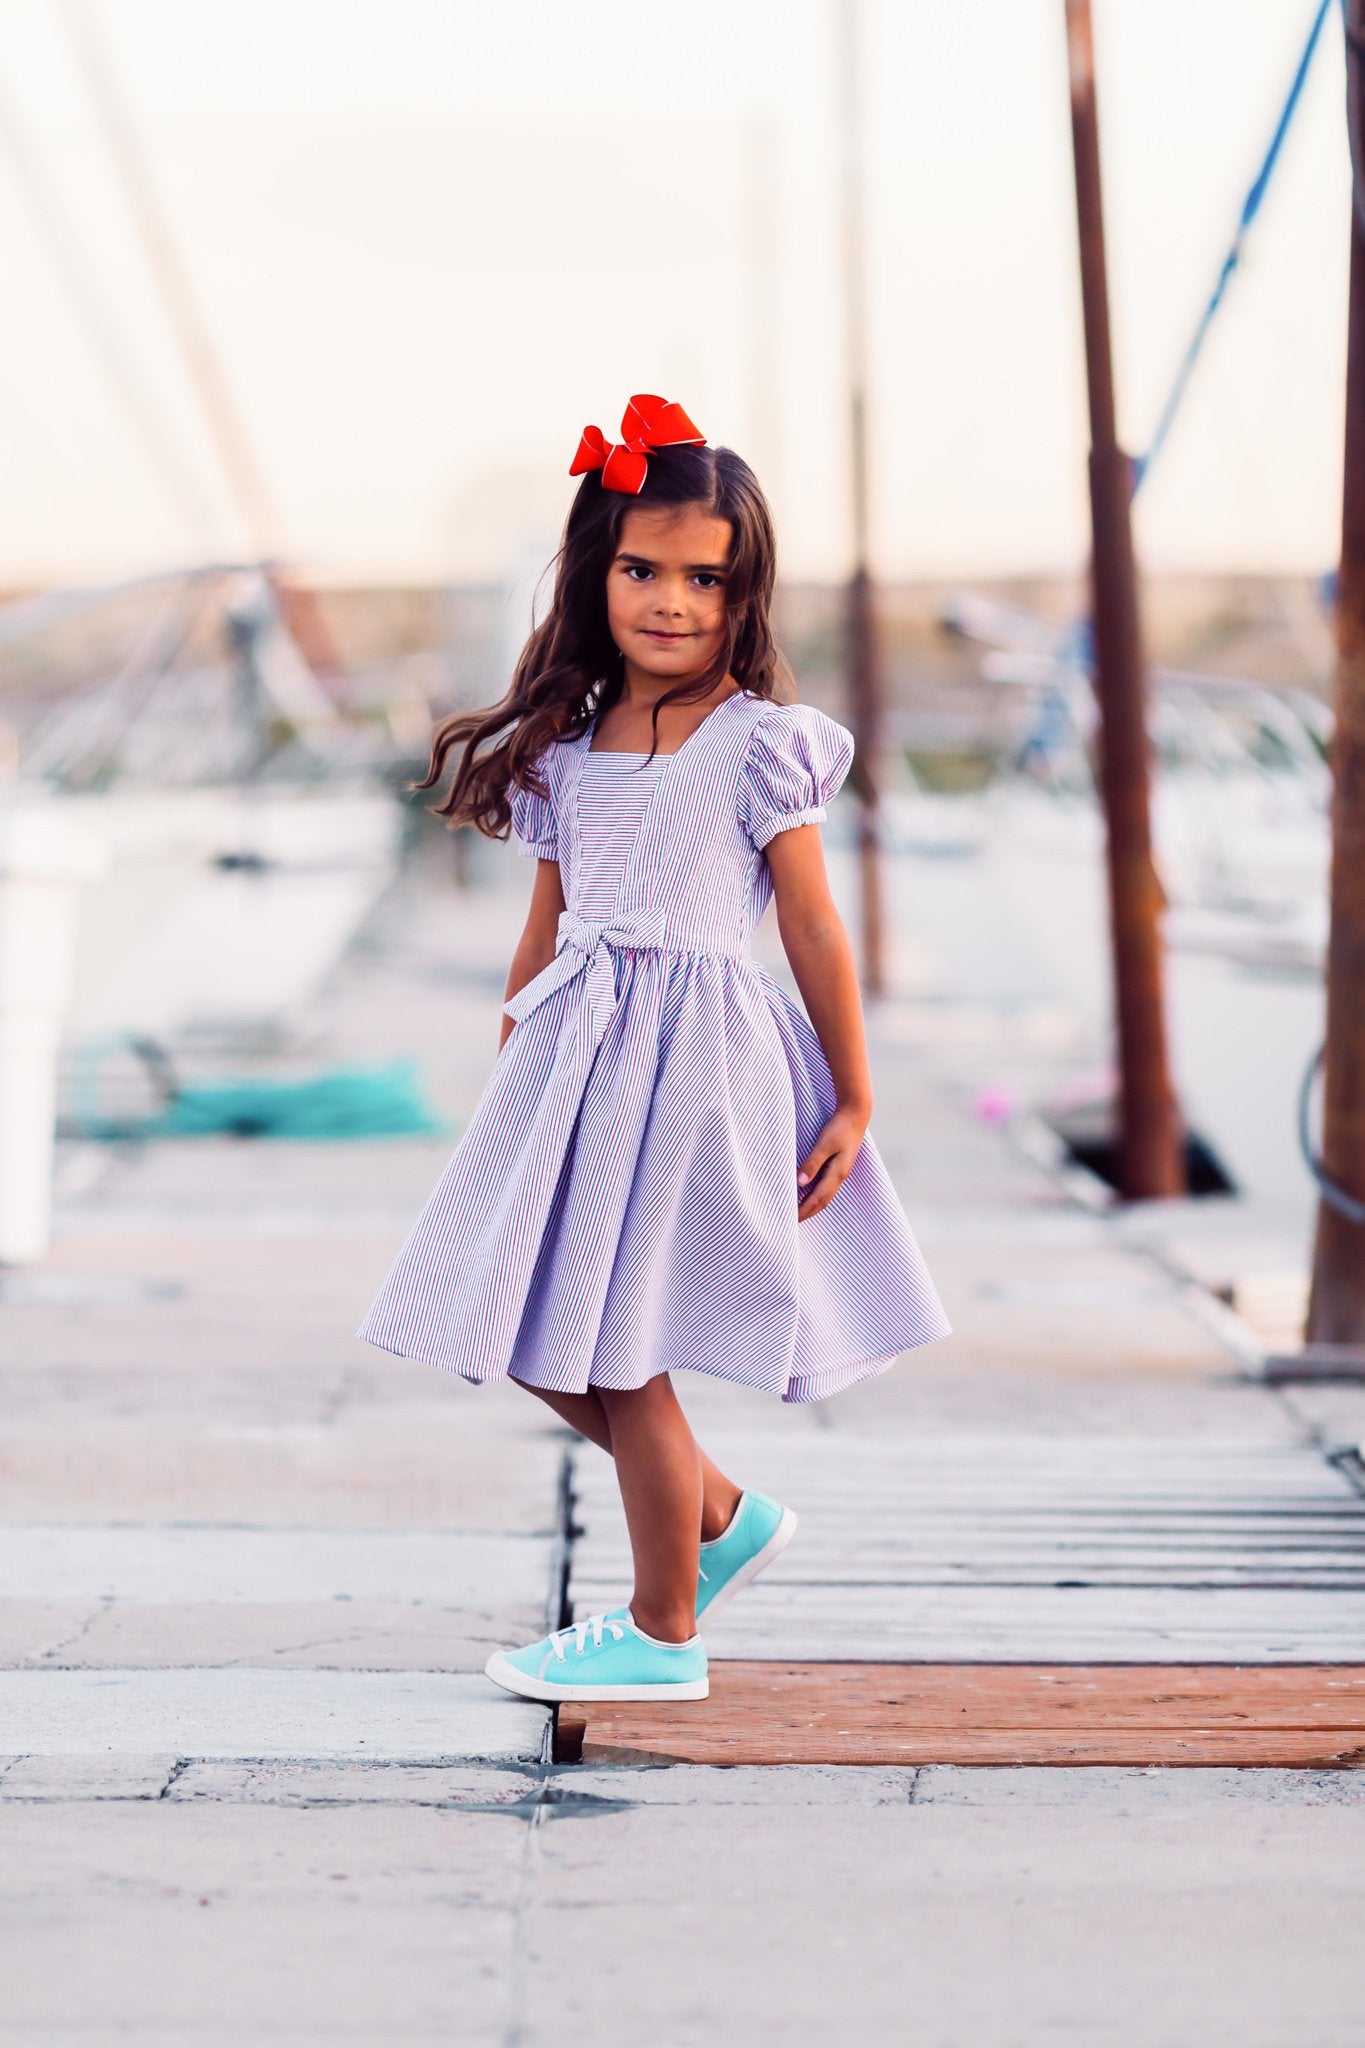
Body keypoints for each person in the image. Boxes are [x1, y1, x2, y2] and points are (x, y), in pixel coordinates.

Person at [356, 394, 951, 1704]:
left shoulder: (757, 744)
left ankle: (662, 1629)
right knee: (525, 1318)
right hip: (577, 1059)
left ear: (744, 598)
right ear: (593, 570)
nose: (670, 601)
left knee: (619, 1344)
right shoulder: (566, 749)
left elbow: (808, 921)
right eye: (641, 568)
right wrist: (515, 1055)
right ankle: (722, 1516)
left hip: (696, 1064)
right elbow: (542, 926)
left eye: (704, 578)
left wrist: (853, 1094)